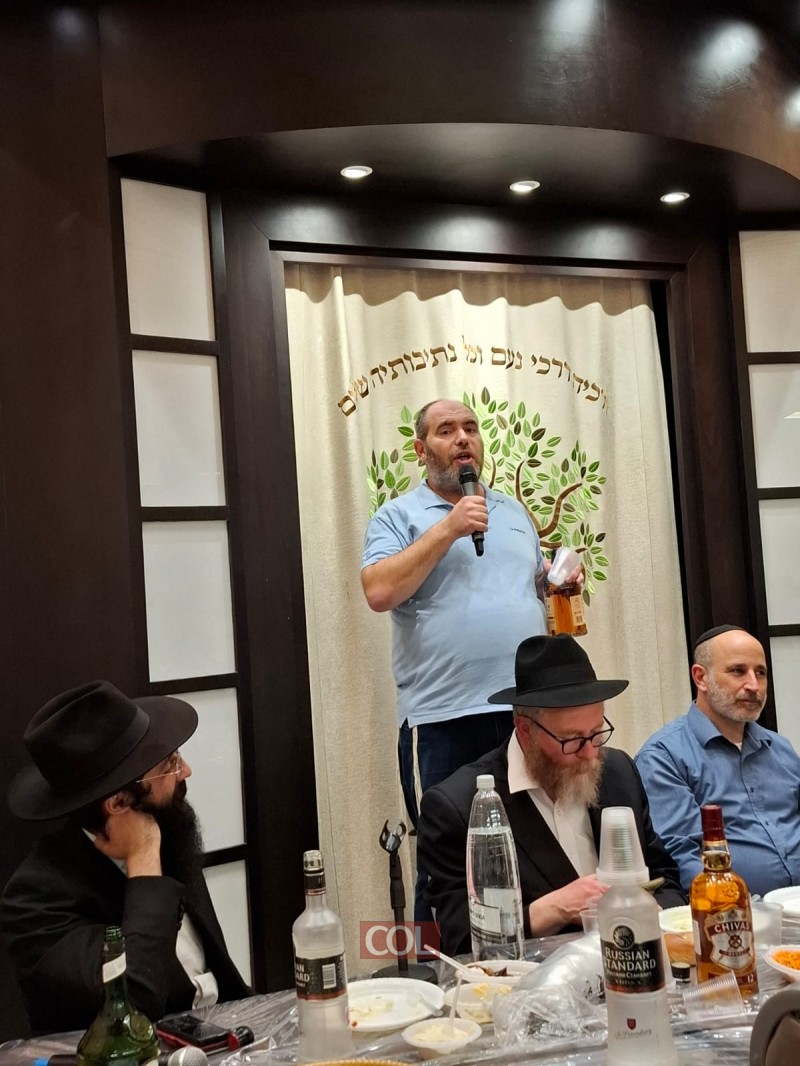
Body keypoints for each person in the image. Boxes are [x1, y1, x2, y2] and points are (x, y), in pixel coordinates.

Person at [362, 398, 575, 827]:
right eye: (446, 431)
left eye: (471, 428)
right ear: (421, 450)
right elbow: (379, 591)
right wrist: (449, 527)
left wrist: (558, 579)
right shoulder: (397, 515)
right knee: (448, 848)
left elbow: (530, 587)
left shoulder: (513, 512)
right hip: (444, 716)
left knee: (535, 841)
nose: (462, 438)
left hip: (524, 711)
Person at [1, 680, 249, 1035]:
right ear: (119, 803)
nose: (186, 771)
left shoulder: (169, 833)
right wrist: (144, 860)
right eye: (170, 763)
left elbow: (222, 982)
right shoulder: (37, 900)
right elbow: (134, 1000)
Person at [417, 634, 684, 955]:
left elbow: (666, 879)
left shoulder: (618, 772)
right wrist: (556, 908)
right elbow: (460, 938)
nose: (589, 754)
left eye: (596, 734)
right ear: (525, 729)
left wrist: (652, 911)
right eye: (572, 740)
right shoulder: (458, 806)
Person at [635, 624, 800, 897]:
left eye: (760, 673)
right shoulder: (664, 757)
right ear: (701, 678)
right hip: (730, 913)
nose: (753, 685)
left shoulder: (779, 748)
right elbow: (681, 859)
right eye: (738, 671)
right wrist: (737, 907)